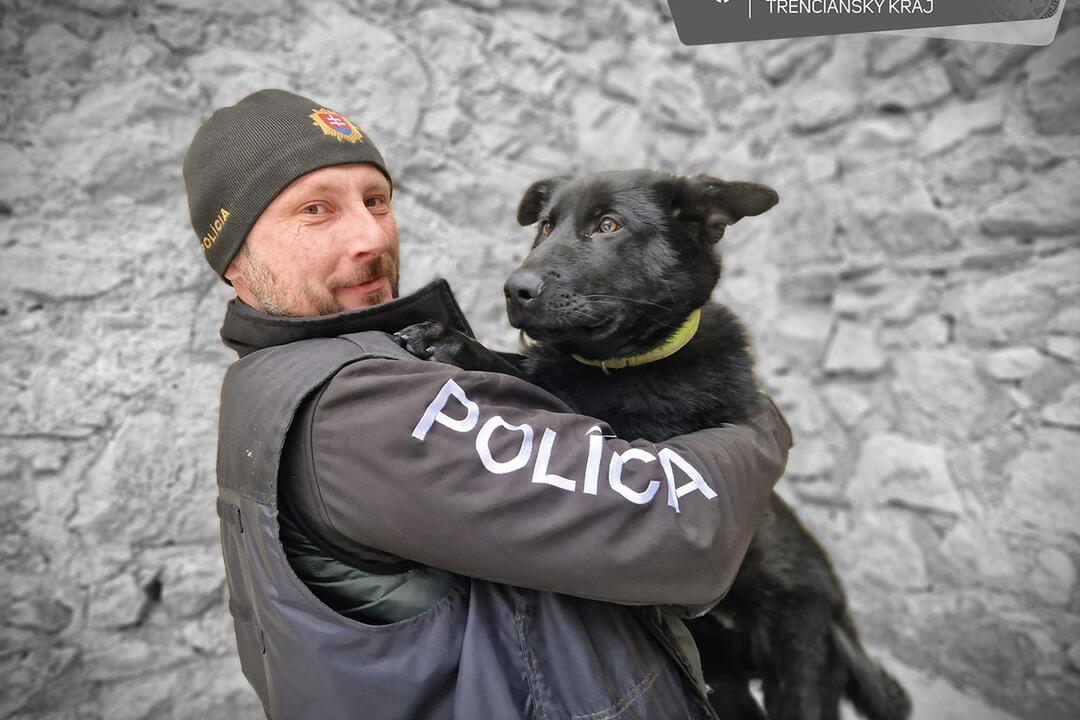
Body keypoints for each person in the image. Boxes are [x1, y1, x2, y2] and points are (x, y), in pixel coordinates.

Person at [183, 88, 793, 720]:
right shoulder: (359, 410)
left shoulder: (272, 379)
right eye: (316, 210)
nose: (370, 235)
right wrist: (760, 426)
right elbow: (676, 528)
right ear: (234, 262)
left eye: (376, 201)